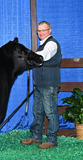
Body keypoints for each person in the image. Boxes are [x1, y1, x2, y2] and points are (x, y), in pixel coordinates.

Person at [21, 21, 62, 149]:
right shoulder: (42, 45)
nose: (41, 33)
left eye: (43, 30)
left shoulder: (51, 44)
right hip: (40, 84)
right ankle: (35, 137)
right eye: (39, 31)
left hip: (49, 84)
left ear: (50, 31)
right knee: (37, 112)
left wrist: (29, 57)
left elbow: (44, 56)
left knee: (50, 112)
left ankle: (51, 139)